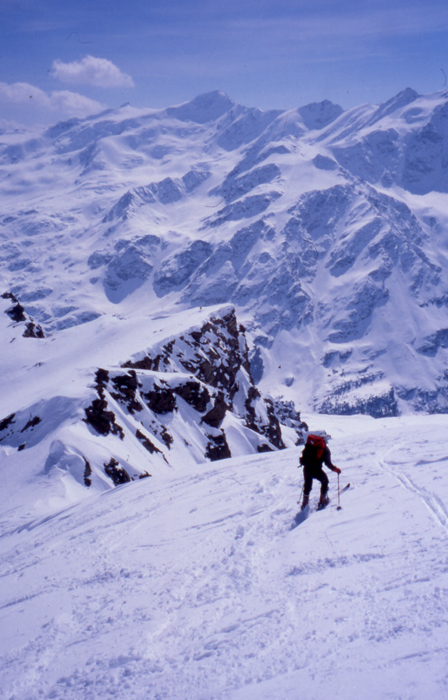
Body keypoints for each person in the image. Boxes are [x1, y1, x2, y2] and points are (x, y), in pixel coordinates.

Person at [299, 432, 341, 510]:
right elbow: (328, 463)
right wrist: (335, 469)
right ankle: (322, 501)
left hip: (306, 469)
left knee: (307, 486)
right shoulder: (325, 449)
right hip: (316, 470)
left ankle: (304, 503)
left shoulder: (310, 445)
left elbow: (304, 455)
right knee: (325, 481)